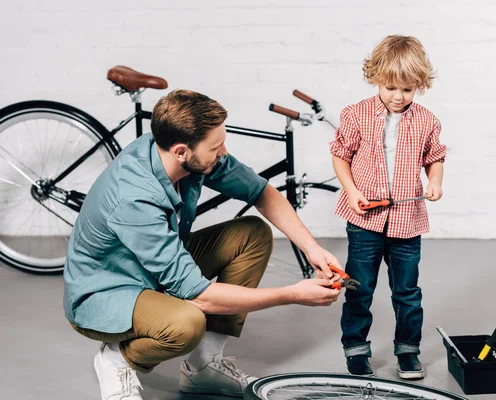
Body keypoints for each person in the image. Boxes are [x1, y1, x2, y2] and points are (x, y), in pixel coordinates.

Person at [63, 89, 343, 400]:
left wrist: (312, 248)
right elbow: (201, 296)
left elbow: (261, 192)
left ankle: (203, 367)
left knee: (252, 234)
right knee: (187, 323)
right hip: (107, 290)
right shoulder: (134, 196)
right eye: (216, 146)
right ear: (182, 151)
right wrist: (292, 294)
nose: (223, 152)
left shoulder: (179, 152)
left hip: (149, 268)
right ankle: (117, 358)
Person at [329, 35, 447, 379]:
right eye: (391, 87)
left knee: (407, 292)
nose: (398, 97)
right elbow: (341, 155)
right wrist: (351, 191)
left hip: (407, 222)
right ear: (375, 79)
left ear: (420, 86)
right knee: (360, 287)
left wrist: (434, 182)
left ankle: (408, 351)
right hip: (365, 220)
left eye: (408, 90)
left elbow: (435, 157)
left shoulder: (427, 120)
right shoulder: (355, 114)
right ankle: (356, 348)